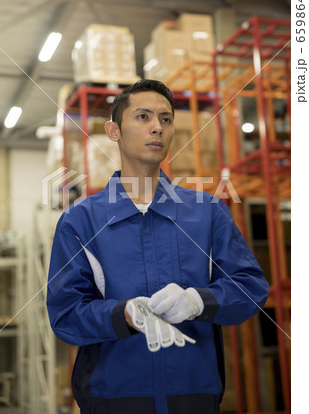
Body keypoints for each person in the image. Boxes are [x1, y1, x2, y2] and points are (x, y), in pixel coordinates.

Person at [47, 79, 269, 414]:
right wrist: (124, 315)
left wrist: (198, 301)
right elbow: (65, 315)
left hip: (195, 396)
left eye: (165, 119)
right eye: (143, 117)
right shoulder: (81, 222)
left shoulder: (206, 212)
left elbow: (250, 288)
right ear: (113, 130)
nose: (157, 128)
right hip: (114, 399)